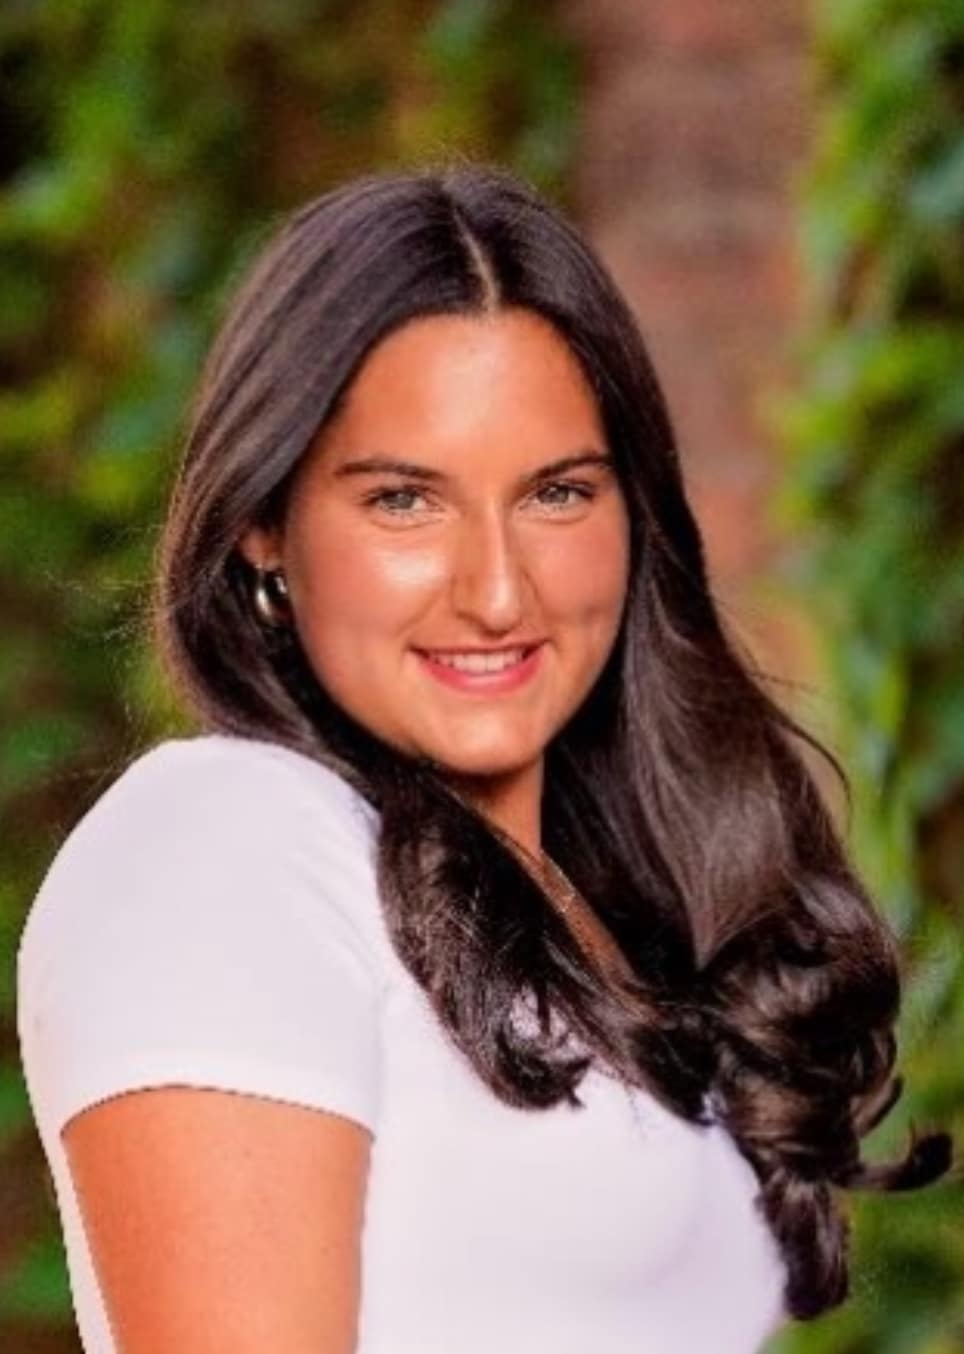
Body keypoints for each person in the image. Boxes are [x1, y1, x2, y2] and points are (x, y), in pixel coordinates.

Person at [16, 161, 951, 1354]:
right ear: (264, 525)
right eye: (405, 502)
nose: (498, 591)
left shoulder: (601, 913)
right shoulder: (228, 841)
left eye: (556, 493)